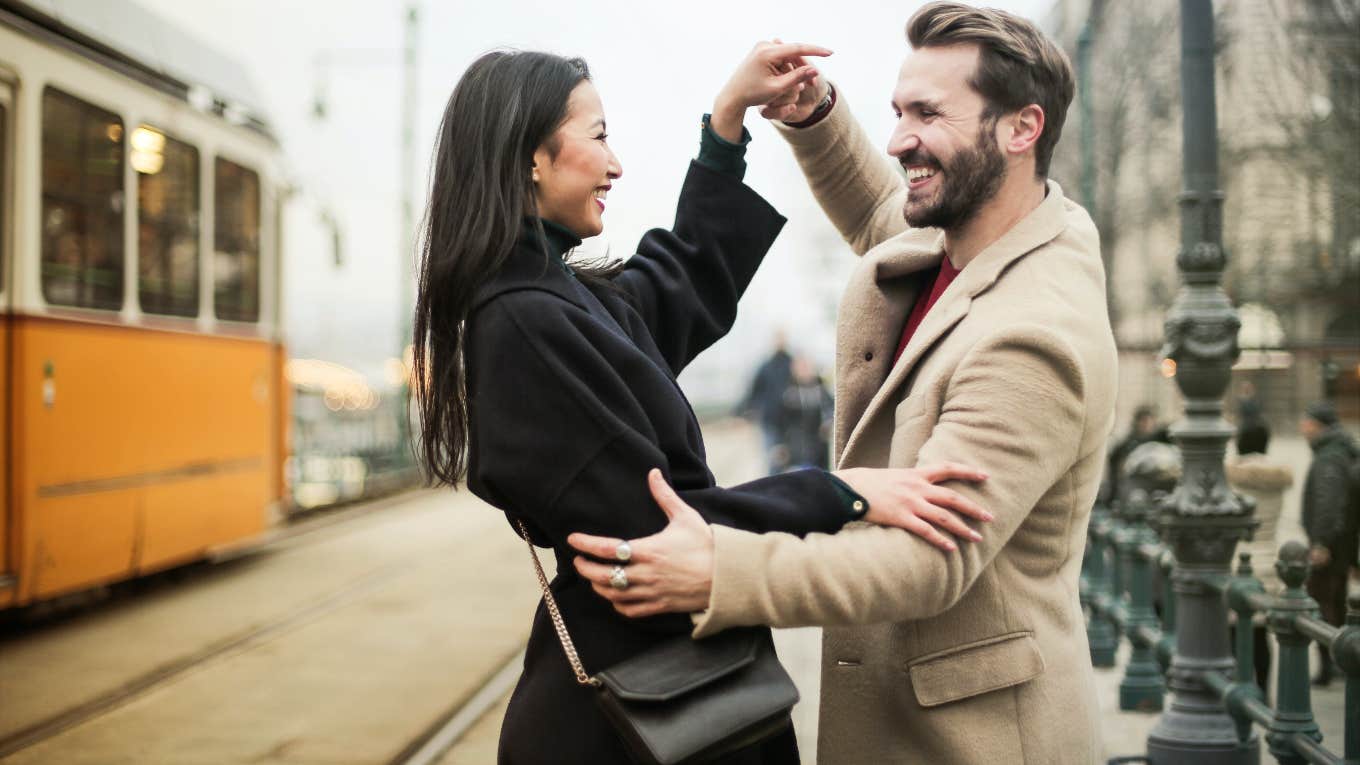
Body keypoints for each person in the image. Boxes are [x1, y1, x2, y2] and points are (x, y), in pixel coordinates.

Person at [411, 47, 995, 764]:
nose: (616, 164)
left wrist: (726, 126)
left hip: (664, 688)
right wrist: (845, 492)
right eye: (598, 137)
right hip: (640, 711)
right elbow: (667, 528)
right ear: (532, 156)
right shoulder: (524, 323)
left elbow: (679, 278)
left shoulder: (555, 298)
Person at [569, 5, 1117, 763]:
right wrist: (815, 115)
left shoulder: (1033, 333)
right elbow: (882, 213)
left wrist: (719, 570)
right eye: (897, 111)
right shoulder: (978, 231)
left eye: (928, 113)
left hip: (978, 739)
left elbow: (928, 559)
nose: (898, 139)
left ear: (1022, 128)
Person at [1298, 400, 1358, 686]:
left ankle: (1329, 665)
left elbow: (1328, 501)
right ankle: (1336, 663)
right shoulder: (1335, 451)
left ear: (1318, 425)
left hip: (1331, 545)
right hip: (1342, 543)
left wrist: (1321, 542)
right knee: (1335, 601)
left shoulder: (1329, 457)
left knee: (1322, 602)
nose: (1302, 427)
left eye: (1306, 421)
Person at [737, 331, 794, 473]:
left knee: (791, 459)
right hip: (770, 420)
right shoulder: (766, 366)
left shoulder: (793, 364)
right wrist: (739, 411)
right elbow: (753, 390)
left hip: (791, 422)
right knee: (773, 459)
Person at [774, 355, 834, 470]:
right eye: (801, 368)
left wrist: (828, 422)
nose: (804, 371)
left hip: (819, 450)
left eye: (807, 367)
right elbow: (780, 422)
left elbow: (830, 409)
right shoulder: (788, 393)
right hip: (795, 451)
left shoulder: (821, 389)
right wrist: (780, 444)